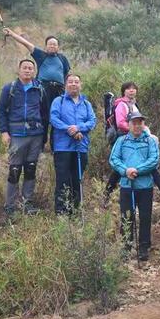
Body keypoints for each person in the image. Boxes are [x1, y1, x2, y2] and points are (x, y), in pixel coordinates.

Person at [103, 82, 160, 204]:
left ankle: (107, 193)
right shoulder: (121, 105)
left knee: (131, 168)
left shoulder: (133, 104)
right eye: (128, 89)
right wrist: (137, 129)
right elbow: (120, 123)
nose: (131, 91)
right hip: (125, 139)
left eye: (134, 89)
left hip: (136, 139)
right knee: (122, 168)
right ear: (124, 91)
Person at [3, 28, 71, 148]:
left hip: (59, 90)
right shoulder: (41, 55)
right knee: (43, 116)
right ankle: (41, 143)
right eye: (50, 44)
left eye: (54, 44)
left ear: (58, 47)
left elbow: (66, 75)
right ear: (46, 46)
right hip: (43, 89)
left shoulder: (62, 59)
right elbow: (26, 44)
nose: (52, 46)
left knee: (58, 116)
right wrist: (12, 34)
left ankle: (55, 145)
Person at [0, 59, 47, 217]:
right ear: (18, 70)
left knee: (31, 168)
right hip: (17, 135)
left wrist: (44, 137)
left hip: (36, 135)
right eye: (24, 68)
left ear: (34, 71)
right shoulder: (9, 88)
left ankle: (27, 203)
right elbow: (1, 111)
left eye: (30, 68)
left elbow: (45, 113)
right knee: (14, 170)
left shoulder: (39, 88)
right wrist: (4, 132)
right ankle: (10, 206)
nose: (27, 70)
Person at [109, 111, 160, 262]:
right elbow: (114, 158)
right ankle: (126, 246)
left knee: (145, 216)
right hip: (127, 185)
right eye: (134, 122)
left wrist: (137, 170)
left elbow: (154, 159)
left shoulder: (150, 141)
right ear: (129, 124)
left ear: (144, 125)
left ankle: (144, 246)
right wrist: (125, 170)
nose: (137, 125)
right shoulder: (122, 141)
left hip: (145, 185)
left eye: (140, 122)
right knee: (127, 216)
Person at [50, 74, 96, 214]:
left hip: (81, 147)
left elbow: (92, 121)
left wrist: (79, 128)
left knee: (78, 180)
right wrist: (69, 130)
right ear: (65, 85)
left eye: (76, 82)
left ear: (80, 85)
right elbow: (54, 118)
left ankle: (76, 210)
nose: (73, 84)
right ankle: (62, 211)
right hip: (62, 147)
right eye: (70, 82)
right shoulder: (59, 101)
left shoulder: (86, 104)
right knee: (63, 180)